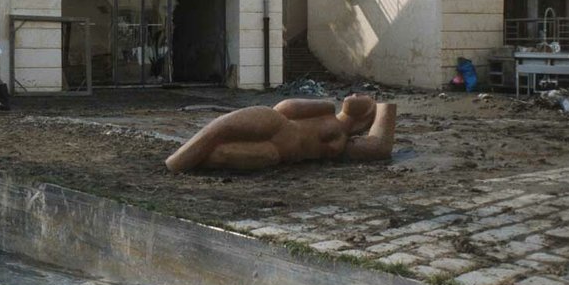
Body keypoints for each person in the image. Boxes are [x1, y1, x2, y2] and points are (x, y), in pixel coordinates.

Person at [165, 94, 396, 173]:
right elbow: (285, 108)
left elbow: (380, 147)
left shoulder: (345, 143)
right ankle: (177, 161)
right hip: (276, 125)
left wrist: (387, 108)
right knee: (219, 130)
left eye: (362, 98)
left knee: (221, 154)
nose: (354, 94)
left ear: (364, 114)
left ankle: (191, 160)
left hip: (279, 153)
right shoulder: (326, 109)